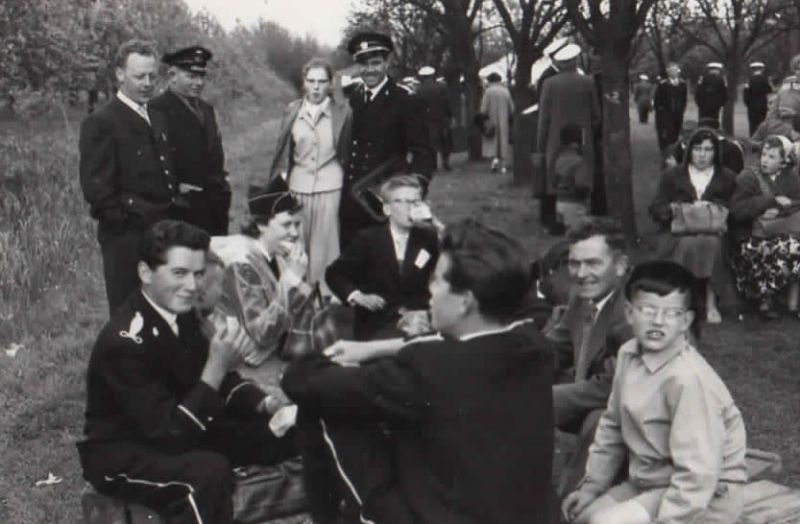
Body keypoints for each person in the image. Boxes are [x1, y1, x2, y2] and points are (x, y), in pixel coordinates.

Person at [283, 219, 556, 524]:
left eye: (437, 280)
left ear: (465, 301)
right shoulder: (533, 346)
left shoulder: (431, 369)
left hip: (437, 515)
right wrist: (376, 348)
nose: (429, 289)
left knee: (322, 404)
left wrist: (319, 359)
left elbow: (301, 382)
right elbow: (450, 345)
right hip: (521, 511)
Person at [76, 220, 299, 524]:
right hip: (123, 452)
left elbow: (220, 384)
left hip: (181, 426)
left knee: (276, 431)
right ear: (145, 273)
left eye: (197, 274)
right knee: (207, 473)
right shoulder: (126, 342)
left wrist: (265, 404)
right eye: (179, 273)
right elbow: (169, 434)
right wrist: (216, 366)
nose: (193, 286)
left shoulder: (181, 314)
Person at [562, 260, 747, 524]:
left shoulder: (687, 379)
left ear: (686, 321)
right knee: (583, 516)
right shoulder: (627, 354)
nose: (658, 321)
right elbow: (612, 425)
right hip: (651, 481)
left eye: (671, 314)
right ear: (629, 313)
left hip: (706, 494)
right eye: (647, 310)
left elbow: (698, 472)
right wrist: (592, 485)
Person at [79, 39, 179, 313]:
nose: (147, 83)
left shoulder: (156, 116)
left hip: (163, 229)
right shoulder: (101, 122)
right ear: (120, 74)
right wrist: (125, 224)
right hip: (126, 238)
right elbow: (97, 190)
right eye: (139, 76)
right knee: (129, 314)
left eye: (152, 76)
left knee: (165, 308)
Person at [545, 217, 632, 497]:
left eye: (593, 263)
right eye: (574, 263)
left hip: (641, 410)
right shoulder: (582, 295)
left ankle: (571, 504)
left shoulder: (633, 310)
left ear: (620, 266)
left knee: (597, 420)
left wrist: (542, 397)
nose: (581, 273)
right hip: (598, 388)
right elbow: (556, 347)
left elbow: (615, 386)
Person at [340, 31, 432, 250]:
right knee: (352, 260)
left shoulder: (405, 99)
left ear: (386, 63)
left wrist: (414, 192)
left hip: (384, 200)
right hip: (351, 200)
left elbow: (423, 151)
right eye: (363, 64)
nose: (369, 69)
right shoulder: (351, 100)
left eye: (375, 63)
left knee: (384, 263)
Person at [267, 57, 352, 293]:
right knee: (296, 248)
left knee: (327, 252)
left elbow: (346, 150)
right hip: (298, 190)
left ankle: (327, 300)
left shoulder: (343, 113)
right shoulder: (293, 110)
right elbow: (284, 151)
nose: (316, 87)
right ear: (304, 82)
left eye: (322, 82)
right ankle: (297, 297)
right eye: (311, 81)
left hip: (330, 189)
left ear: (330, 84)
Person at [209, 176, 311, 370]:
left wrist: (271, 344)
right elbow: (261, 332)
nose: (295, 233)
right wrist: (291, 281)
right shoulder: (243, 262)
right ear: (261, 225)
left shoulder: (279, 251)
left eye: (297, 224)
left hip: (252, 343)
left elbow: (305, 314)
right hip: (224, 346)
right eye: (286, 225)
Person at [326, 174, 439, 341]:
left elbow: (457, 265)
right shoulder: (368, 239)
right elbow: (335, 273)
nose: (411, 207)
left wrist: (434, 226)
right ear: (387, 209)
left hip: (419, 324)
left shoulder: (427, 238)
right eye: (403, 201)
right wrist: (357, 296)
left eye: (416, 201)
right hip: (377, 323)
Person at [649, 127, 738, 324]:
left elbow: (735, 209)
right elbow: (656, 208)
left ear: (716, 152)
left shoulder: (727, 177)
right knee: (688, 244)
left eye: (708, 150)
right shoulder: (672, 175)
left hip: (714, 231)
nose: (702, 155)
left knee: (711, 244)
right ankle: (680, 301)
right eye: (697, 149)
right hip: (680, 233)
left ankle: (711, 302)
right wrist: (678, 209)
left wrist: (712, 208)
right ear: (689, 150)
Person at [149, 46, 232, 237]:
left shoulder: (206, 109)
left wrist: (223, 185)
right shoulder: (157, 110)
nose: (199, 82)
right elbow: (150, 161)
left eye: (202, 76)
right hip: (181, 210)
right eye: (191, 76)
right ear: (172, 76)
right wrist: (174, 189)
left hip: (214, 206)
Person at [730, 135, 800, 320]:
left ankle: (789, 302)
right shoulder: (747, 177)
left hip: (779, 231)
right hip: (750, 234)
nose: (765, 160)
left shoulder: (791, 178)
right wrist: (768, 202)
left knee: (793, 246)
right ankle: (765, 299)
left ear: (784, 161)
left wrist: (779, 212)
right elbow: (737, 211)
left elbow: (796, 203)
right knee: (762, 250)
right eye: (764, 155)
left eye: (771, 157)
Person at [537, 43, 600, 236]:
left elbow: (544, 118)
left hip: (555, 141)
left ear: (560, 62)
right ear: (575, 61)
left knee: (557, 178)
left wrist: (540, 145)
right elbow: (596, 115)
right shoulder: (588, 82)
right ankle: (580, 220)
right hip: (582, 140)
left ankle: (557, 222)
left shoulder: (549, 84)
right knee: (581, 176)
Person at [416, 66, 453, 171]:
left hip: (427, 120)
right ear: (433, 76)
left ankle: (433, 164)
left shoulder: (420, 89)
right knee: (445, 142)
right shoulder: (442, 87)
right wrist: (450, 115)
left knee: (430, 143)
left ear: (422, 77)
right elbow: (447, 103)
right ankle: (446, 162)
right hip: (442, 118)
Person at [480, 72, 514, 173]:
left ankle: (494, 162)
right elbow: (511, 108)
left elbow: (483, 108)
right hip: (504, 120)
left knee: (492, 141)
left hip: (491, 121)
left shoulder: (488, 91)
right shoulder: (505, 91)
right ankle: (503, 166)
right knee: (503, 141)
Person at [653, 62, 688, 153]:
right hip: (666, 114)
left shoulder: (682, 84)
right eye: (671, 71)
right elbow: (657, 100)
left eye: (675, 70)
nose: (673, 72)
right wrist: (661, 112)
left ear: (678, 71)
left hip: (678, 113)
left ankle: (674, 150)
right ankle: (665, 150)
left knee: (676, 132)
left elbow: (684, 98)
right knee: (666, 132)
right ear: (668, 72)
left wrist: (682, 110)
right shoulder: (663, 84)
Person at [743, 61, 773, 136]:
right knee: (762, 123)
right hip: (762, 104)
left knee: (752, 124)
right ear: (762, 69)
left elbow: (746, 93)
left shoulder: (749, 80)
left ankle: (753, 137)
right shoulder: (764, 79)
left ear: (752, 70)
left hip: (752, 105)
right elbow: (769, 90)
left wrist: (747, 103)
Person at [694, 62, 727, 128]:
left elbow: (698, 92)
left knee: (703, 122)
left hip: (703, 105)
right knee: (714, 121)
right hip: (716, 105)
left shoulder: (702, 78)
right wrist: (721, 103)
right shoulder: (721, 79)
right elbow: (724, 93)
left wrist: (699, 103)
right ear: (717, 70)